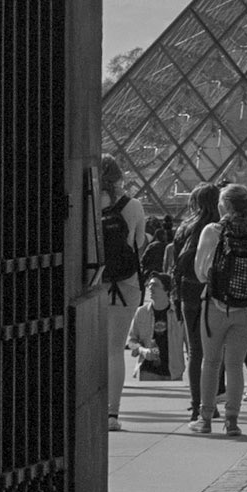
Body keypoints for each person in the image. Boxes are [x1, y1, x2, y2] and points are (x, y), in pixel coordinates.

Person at [190, 181, 247, 437]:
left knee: (211, 363)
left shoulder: (212, 231)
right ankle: (232, 420)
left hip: (216, 305)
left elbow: (200, 272)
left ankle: (205, 418)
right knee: (235, 365)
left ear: (226, 205)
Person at [99, 155, 147, 430]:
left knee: (91, 350)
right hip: (126, 284)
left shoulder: (88, 200)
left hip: (95, 281)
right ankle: (112, 414)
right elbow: (138, 243)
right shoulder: (134, 205)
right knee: (115, 350)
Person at [171, 183, 220, 420]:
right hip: (214, 293)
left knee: (195, 352)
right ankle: (212, 402)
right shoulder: (219, 228)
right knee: (215, 352)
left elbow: (175, 266)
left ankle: (197, 404)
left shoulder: (185, 227)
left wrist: (175, 296)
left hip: (188, 291)